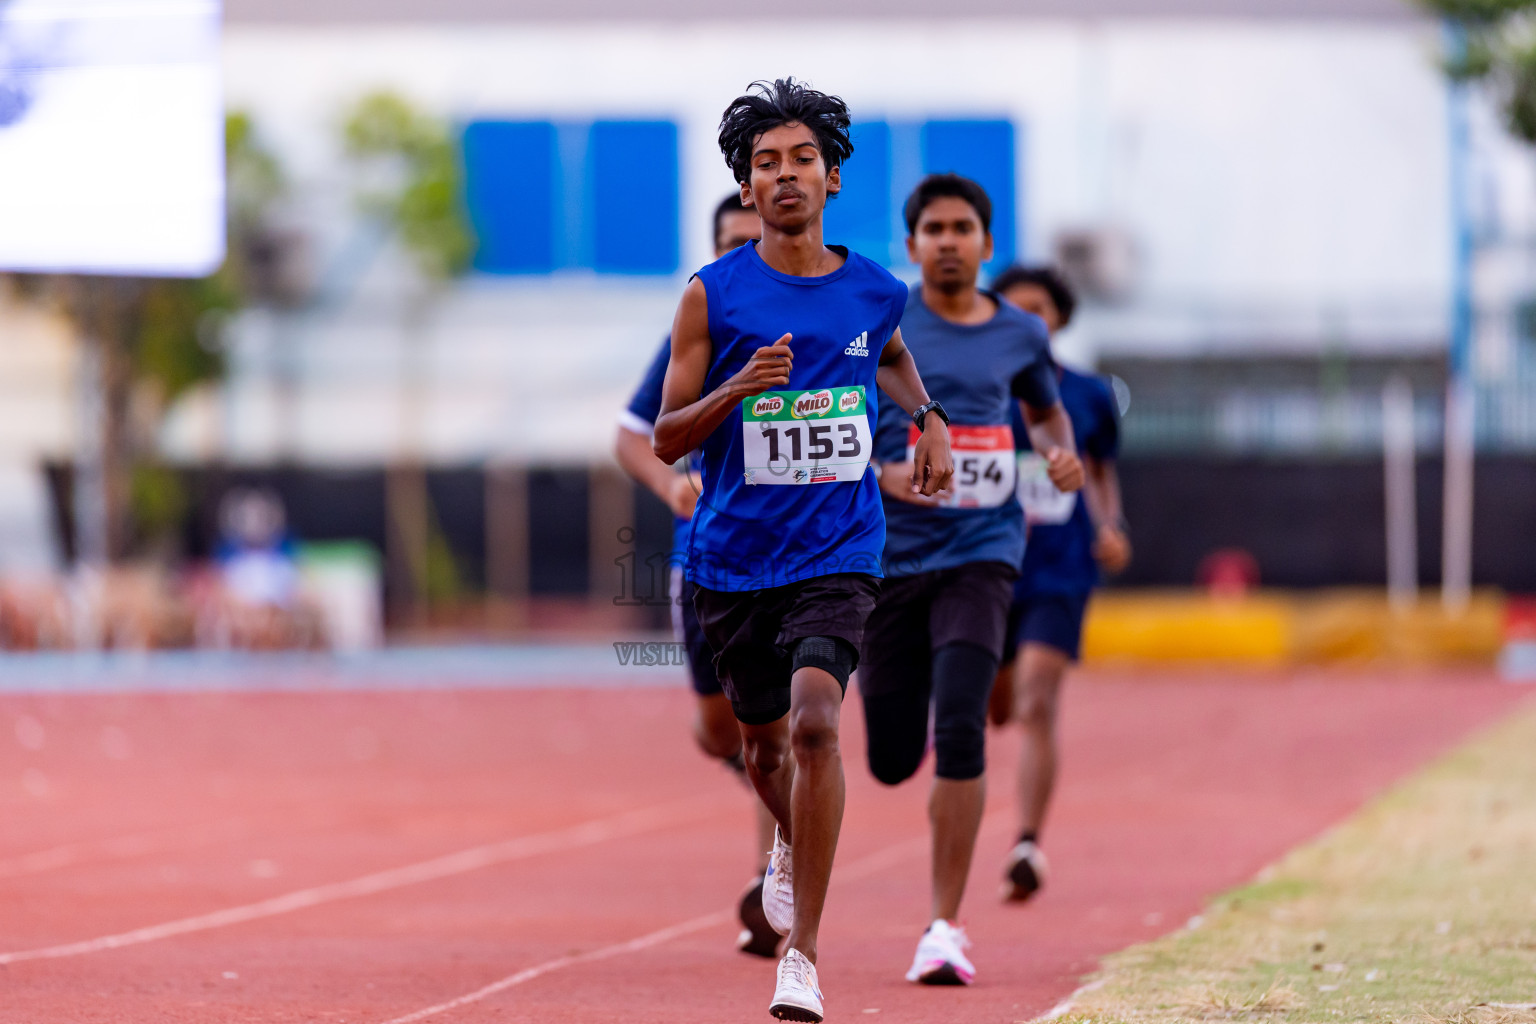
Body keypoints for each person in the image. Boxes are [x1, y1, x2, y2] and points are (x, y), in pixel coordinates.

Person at [653, 78, 953, 1024]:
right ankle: (789, 841)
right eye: (765, 165)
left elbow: (891, 353)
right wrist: (738, 387)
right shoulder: (712, 296)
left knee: (819, 723)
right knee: (763, 745)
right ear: (747, 187)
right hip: (735, 560)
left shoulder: (874, 288)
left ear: (831, 177)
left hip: (841, 549)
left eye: (801, 160)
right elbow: (666, 436)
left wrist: (931, 418)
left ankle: (803, 956)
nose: (784, 177)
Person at [861, 175, 1084, 986]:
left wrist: (1059, 453)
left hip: (982, 552)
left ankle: (943, 928)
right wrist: (878, 472)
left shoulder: (1021, 333)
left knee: (961, 727)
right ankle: (901, 715)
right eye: (933, 229)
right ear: (912, 245)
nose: (949, 241)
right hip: (885, 558)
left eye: (963, 228)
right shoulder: (879, 321)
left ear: (986, 245)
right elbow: (833, 409)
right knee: (890, 758)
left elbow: (1048, 413)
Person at [611, 192, 781, 959]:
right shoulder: (699, 322)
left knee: (774, 726)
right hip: (708, 559)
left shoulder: (817, 322)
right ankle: (769, 793)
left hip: (799, 555)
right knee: (723, 730)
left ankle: (771, 882)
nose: (748, 252)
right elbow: (632, 433)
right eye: (732, 242)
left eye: (759, 238)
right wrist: (669, 484)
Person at [987, 264, 1130, 903]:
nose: (1026, 321)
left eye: (1038, 309)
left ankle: (1026, 840)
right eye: (1012, 310)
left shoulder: (1091, 396)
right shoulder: (974, 391)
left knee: (1038, 701)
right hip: (984, 568)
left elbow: (1100, 473)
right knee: (998, 705)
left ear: (1060, 318)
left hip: (1060, 567)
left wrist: (1111, 525)